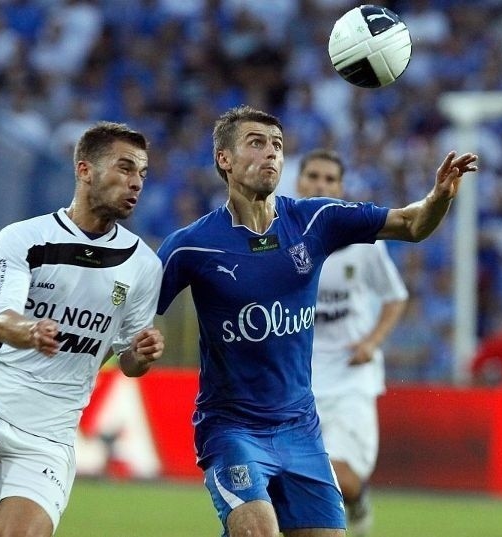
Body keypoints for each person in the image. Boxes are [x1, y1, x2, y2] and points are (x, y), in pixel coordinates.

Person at [156, 104, 477, 537]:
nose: (270, 152)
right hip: (232, 429)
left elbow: (411, 223)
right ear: (224, 159)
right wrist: (135, 354)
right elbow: (135, 319)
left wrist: (438, 197)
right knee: (259, 532)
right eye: (256, 142)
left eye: (277, 145)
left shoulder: (316, 220)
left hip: (300, 430)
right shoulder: (190, 247)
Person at [0, 121, 164, 537]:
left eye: (142, 174)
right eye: (125, 168)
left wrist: (141, 354)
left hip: (51, 429)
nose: (136, 183)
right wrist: (30, 331)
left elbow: (127, 361)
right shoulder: (24, 237)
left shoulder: (143, 266)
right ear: (84, 170)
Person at [296, 148, 409, 536]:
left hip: (350, 379)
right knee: (293, 482)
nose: (320, 184)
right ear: (298, 181)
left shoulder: (363, 243)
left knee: (341, 478)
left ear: (341, 187)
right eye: (313, 176)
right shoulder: (281, 237)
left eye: (330, 179)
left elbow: (396, 296)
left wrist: (372, 342)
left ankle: (358, 502)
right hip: (298, 380)